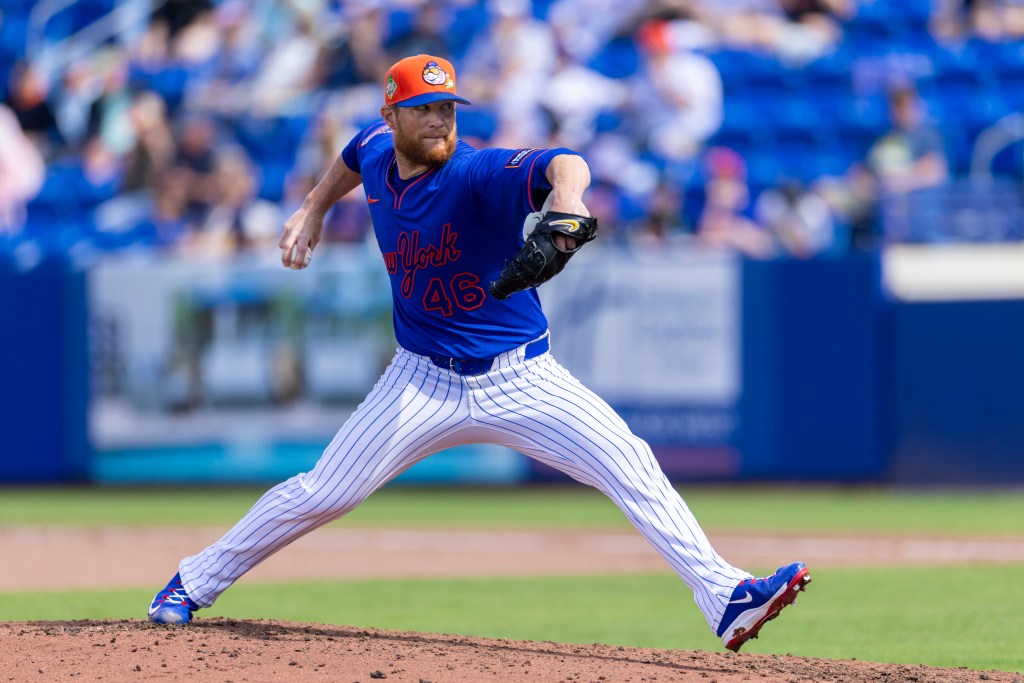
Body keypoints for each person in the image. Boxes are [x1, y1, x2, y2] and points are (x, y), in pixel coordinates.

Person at [146, 53, 810, 652]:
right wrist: (314, 208)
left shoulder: (476, 172)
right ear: (393, 116)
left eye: (447, 107)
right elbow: (351, 153)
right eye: (424, 109)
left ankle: (726, 597)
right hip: (420, 381)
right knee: (323, 490)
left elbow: (561, 162)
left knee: (629, 461)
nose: (439, 120)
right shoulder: (378, 150)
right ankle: (191, 581)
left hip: (523, 377)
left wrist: (570, 198)